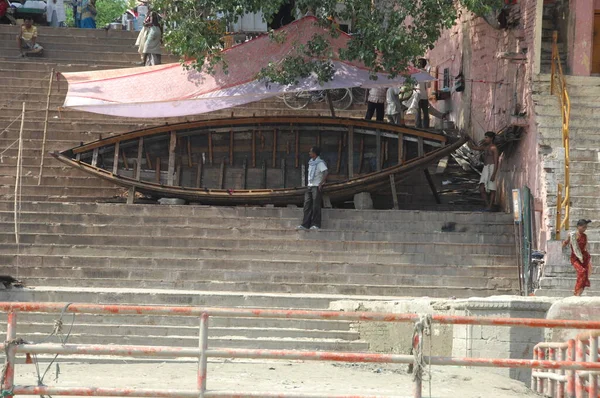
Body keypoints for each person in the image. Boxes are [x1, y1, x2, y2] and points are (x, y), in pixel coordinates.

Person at [297, 147, 328, 231]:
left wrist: (321, 183)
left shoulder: (320, 163)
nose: (309, 153)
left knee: (316, 206)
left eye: (311, 152)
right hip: (310, 186)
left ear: (315, 153)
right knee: (307, 205)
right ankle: (305, 224)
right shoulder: (311, 162)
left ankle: (316, 224)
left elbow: (326, 172)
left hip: (316, 186)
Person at [467, 131, 499, 211]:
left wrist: (494, 174)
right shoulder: (485, 147)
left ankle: (490, 206)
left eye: (486, 137)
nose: (485, 139)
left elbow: (496, 162)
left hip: (492, 167)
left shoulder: (494, 148)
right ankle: (487, 205)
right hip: (485, 168)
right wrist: (467, 139)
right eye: (485, 137)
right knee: (481, 188)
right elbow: (473, 147)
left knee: (492, 188)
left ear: (491, 138)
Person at [562, 219, 592, 296]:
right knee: (581, 272)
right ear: (578, 226)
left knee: (585, 275)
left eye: (585, 227)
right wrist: (567, 240)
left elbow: (585, 247)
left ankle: (579, 293)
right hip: (575, 258)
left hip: (583, 257)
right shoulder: (572, 235)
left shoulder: (585, 236)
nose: (584, 229)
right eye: (583, 227)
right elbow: (564, 244)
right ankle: (576, 293)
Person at [415, 58, 431, 129]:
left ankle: (418, 128)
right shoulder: (427, 73)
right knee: (425, 113)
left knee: (417, 113)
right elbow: (429, 85)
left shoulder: (415, 73)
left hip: (417, 95)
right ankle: (426, 128)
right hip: (424, 96)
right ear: (424, 65)